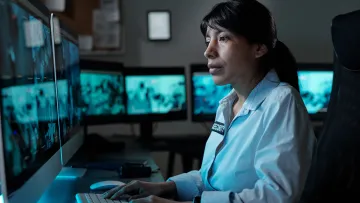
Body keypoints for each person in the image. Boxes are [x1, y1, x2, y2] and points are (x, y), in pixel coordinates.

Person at [103, 0, 316, 202]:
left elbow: (278, 197)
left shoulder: (281, 101)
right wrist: (166, 187)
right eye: (208, 41)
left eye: (223, 38)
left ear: (259, 48)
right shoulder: (227, 104)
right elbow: (212, 179)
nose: (208, 51)